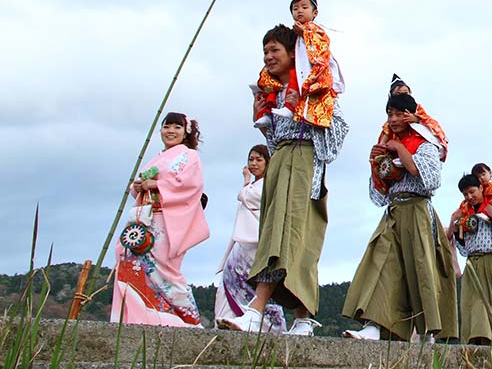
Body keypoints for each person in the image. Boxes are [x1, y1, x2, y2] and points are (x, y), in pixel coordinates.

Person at [219, 25, 349, 336]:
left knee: (289, 236)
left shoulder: (314, 88)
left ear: (294, 54)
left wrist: (302, 107)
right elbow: (275, 143)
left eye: (274, 50)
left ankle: (256, 309)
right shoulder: (274, 92)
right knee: (285, 236)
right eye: (265, 52)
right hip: (281, 165)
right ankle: (302, 318)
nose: (268, 57)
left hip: (305, 162)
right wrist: (265, 125)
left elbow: (339, 131)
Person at [341, 92, 457, 341]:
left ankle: (427, 331)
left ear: (409, 116)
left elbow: (425, 176)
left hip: (418, 211)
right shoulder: (386, 144)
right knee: (382, 263)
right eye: (389, 114)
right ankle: (373, 325)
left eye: (397, 114)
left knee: (421, 271)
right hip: (394, 211)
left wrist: (399, 148)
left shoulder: (426, 144)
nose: (392, 119)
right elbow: (380, 190)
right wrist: (378, 162)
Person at [110, 112, 209, 327]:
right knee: (129, 259)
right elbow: (139, 185)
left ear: (186, 132)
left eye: (177, 127)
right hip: (145, 219)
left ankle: (187, 318)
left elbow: (191, 186)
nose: (171, 131)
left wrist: (157, 185)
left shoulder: (188, 156)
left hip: (168, 221)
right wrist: (137, 187)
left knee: (164, 270)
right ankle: (138, 317)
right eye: (167, 126)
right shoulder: (157, 158)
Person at [213, 145, 286, 333]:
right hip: (242, 243)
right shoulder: (255, 185)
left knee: (255, 288)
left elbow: (248, 196)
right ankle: (230, 322)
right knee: (228, 286)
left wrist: (246, 180)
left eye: (259, 160)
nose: (253, 164)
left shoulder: (268, 185)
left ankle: (266, 326)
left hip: (255, 244)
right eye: (251, 159)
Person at [445, 173, 492, 346]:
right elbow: (463, 247)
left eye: (472, 192)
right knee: (472, 303)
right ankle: (477, 342)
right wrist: (456, 224)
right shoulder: (464, 213)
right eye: (465, 195)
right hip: (472, 262)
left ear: (481, 187)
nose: (469, 197)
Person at [253, 0, 345, 130]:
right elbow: (274, 140)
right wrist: (258, 115)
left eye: (275, 50)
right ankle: (266, 115)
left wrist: (306, 34)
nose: (269, 57)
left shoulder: (314, 31)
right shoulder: (277, 91)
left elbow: (339, 128)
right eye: (295, 9)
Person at [376, 74, 449, 161]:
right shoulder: (391, 120)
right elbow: (386, 131)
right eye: (398, 93)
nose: (394, 119)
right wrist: (381, 147)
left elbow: (427, 120)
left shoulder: (416, 108)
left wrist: (416, 118)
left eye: (405, 93)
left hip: (415, 146)